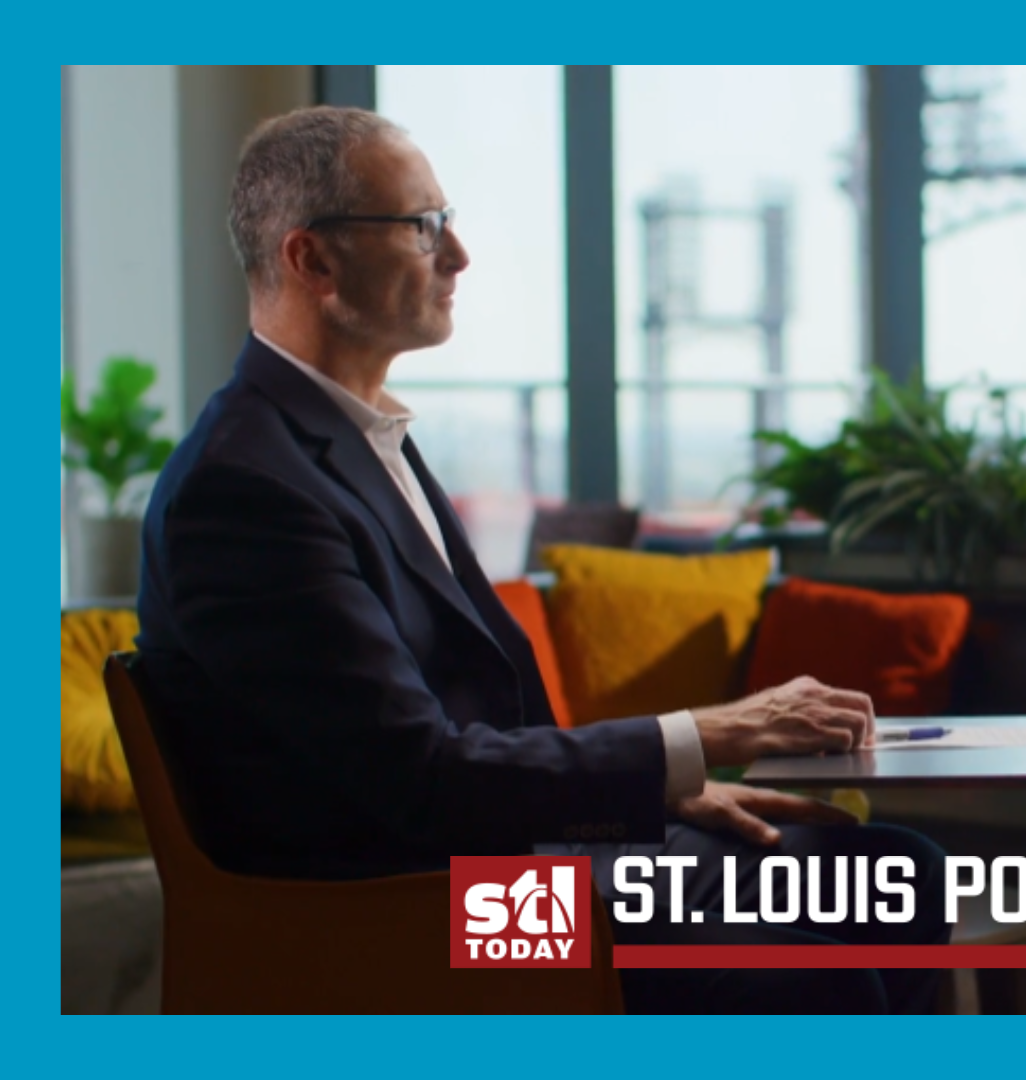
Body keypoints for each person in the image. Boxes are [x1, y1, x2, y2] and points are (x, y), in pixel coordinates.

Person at [134, 106, 949, 1015]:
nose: (458, 255)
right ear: (312, 260)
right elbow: (418, 780)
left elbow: (480, 729)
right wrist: (704, 736)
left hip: (504, 870)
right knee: (811, 970)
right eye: (422, 226)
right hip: (419, 910)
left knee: (891, 875)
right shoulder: (245, 488)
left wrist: (662, 795)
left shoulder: (352, 440)